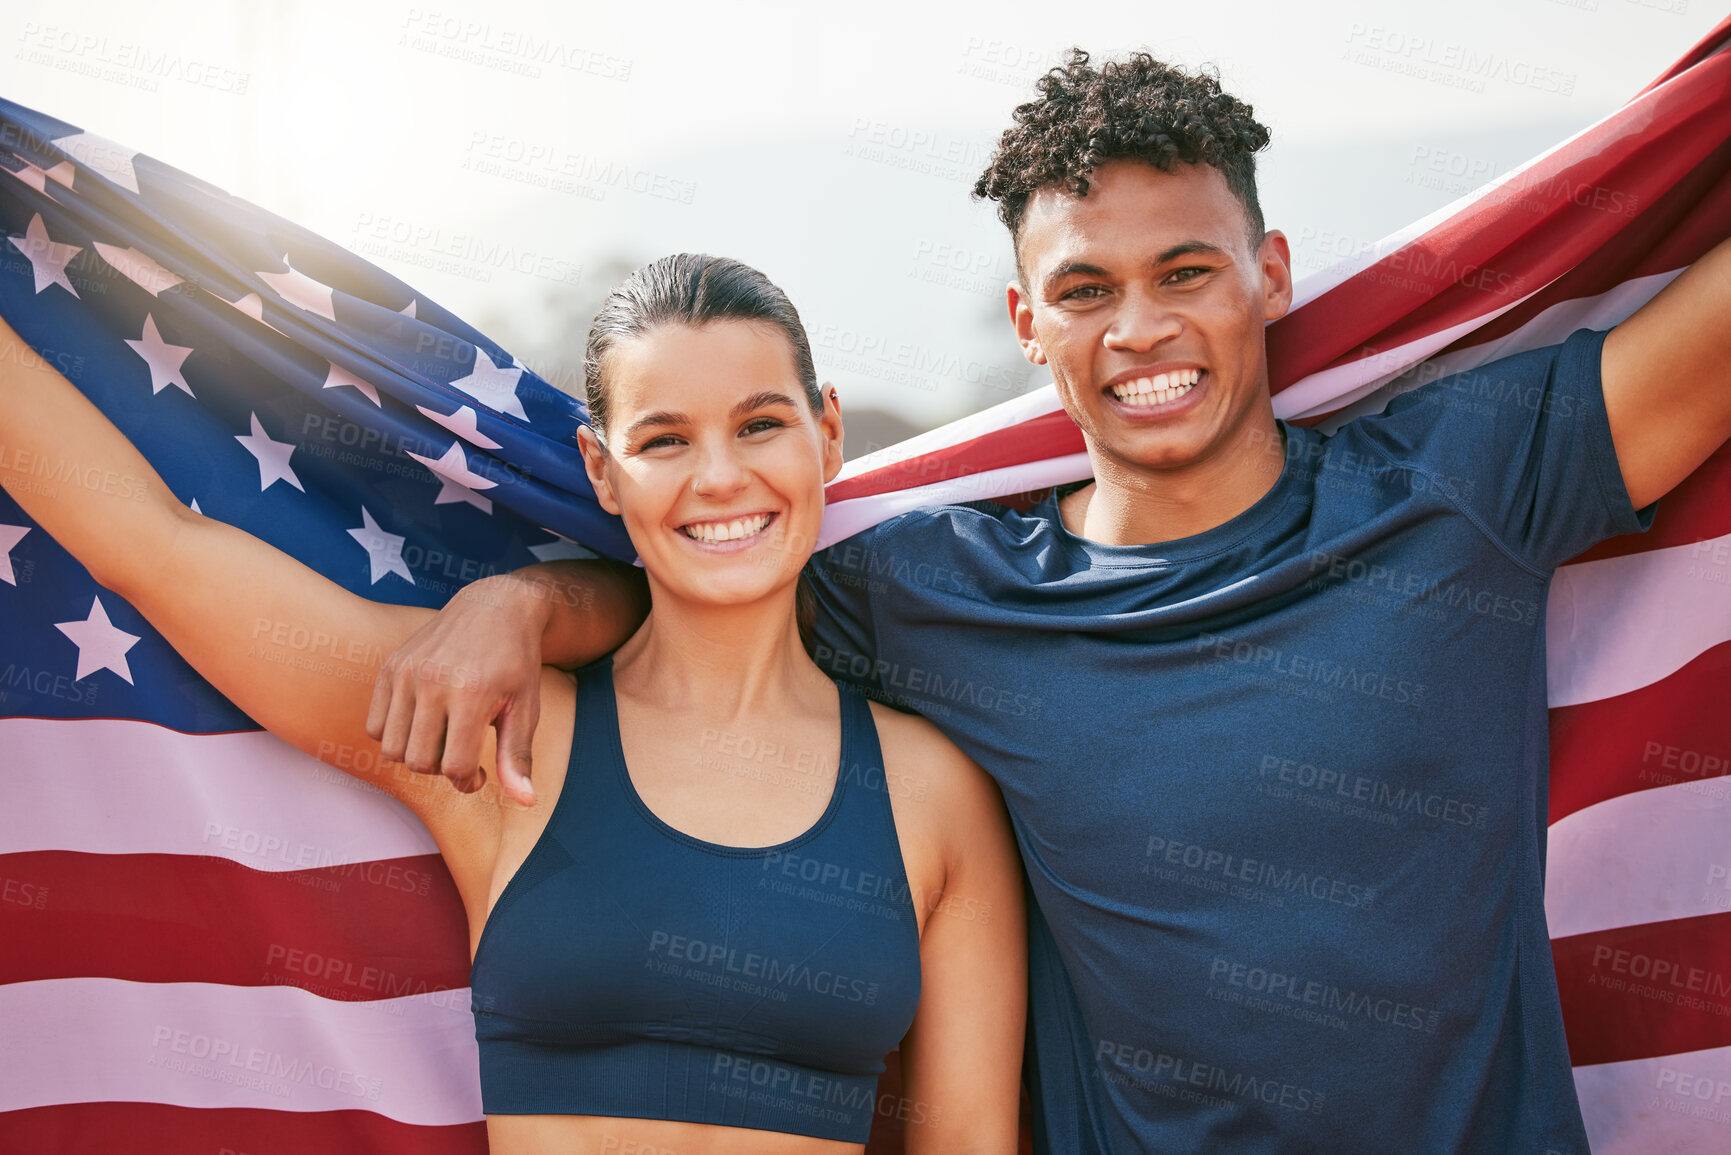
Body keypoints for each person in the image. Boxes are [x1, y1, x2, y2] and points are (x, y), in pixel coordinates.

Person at [369, 51, 1731, 1152]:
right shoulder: (934, 596)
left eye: (1183, 271)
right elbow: (700, 577)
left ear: (1268, 272)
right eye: (1085, 288)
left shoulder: (1465, 483)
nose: (1136, 327)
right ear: (1027, 323)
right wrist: (519, 608)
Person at [0, 253, 1027, 1154]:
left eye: (760, 424)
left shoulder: (933, 797)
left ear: (827, 433)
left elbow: (972, 1143)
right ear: (602, 471)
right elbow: (154, 546)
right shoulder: (494, 733)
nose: (720, 477)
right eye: (664, 440)